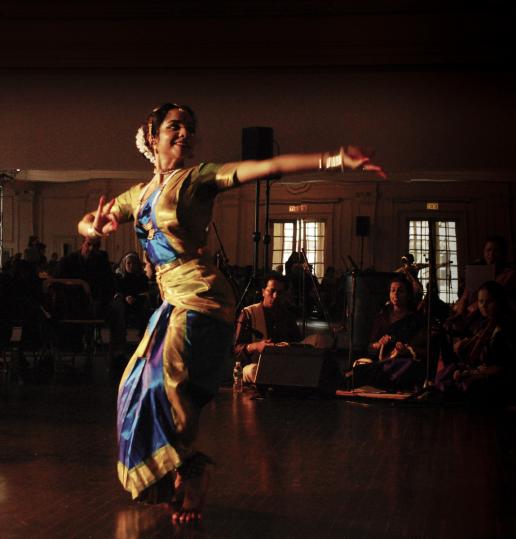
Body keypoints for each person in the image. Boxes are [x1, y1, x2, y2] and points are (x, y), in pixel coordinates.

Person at [76, 102, 385, 524]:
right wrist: (93, 228)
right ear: (152, 136)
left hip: (201, 294)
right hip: (172, 299)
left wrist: (333, 159)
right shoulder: (139, 194)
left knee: (170, 381)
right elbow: (88, 221)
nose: (184, 133)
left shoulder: (197, 178)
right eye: (174, 126)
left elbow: (264, 166)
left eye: (189, 127)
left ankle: (192, 471)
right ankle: (174, 473)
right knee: (134, 387)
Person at [435, 280, 516, 405]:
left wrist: (473, 372)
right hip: (482, 371)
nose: (484, 306)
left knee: (470, 385)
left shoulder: (507, 328)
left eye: (489, 302)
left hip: (503, 378)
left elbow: (504, 367)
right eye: (481, 301)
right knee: (447, 374)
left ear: (499, 302)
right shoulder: (484, 325)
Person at [352, 275, 426, 391]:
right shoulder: (382, 317)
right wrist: (379, 344)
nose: (395, 294)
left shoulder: (415, 319)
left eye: (400, 291)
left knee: (410, 367)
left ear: (408, 295)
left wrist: (406, 350)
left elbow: (423, 349)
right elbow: (370, 348)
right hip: (382, 363)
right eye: (393, 290)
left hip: (402, 363)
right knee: (360, 369)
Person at [234, 272, 302, 383]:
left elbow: (298, 343)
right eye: (272, 291)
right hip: (255, 365)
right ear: (263, 292)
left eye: (279, 293)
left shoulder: (287, 316)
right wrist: (256, 346)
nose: (275, 296)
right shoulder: (249, 313)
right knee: (253, 371)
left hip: (282, 363)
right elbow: (236, 349)